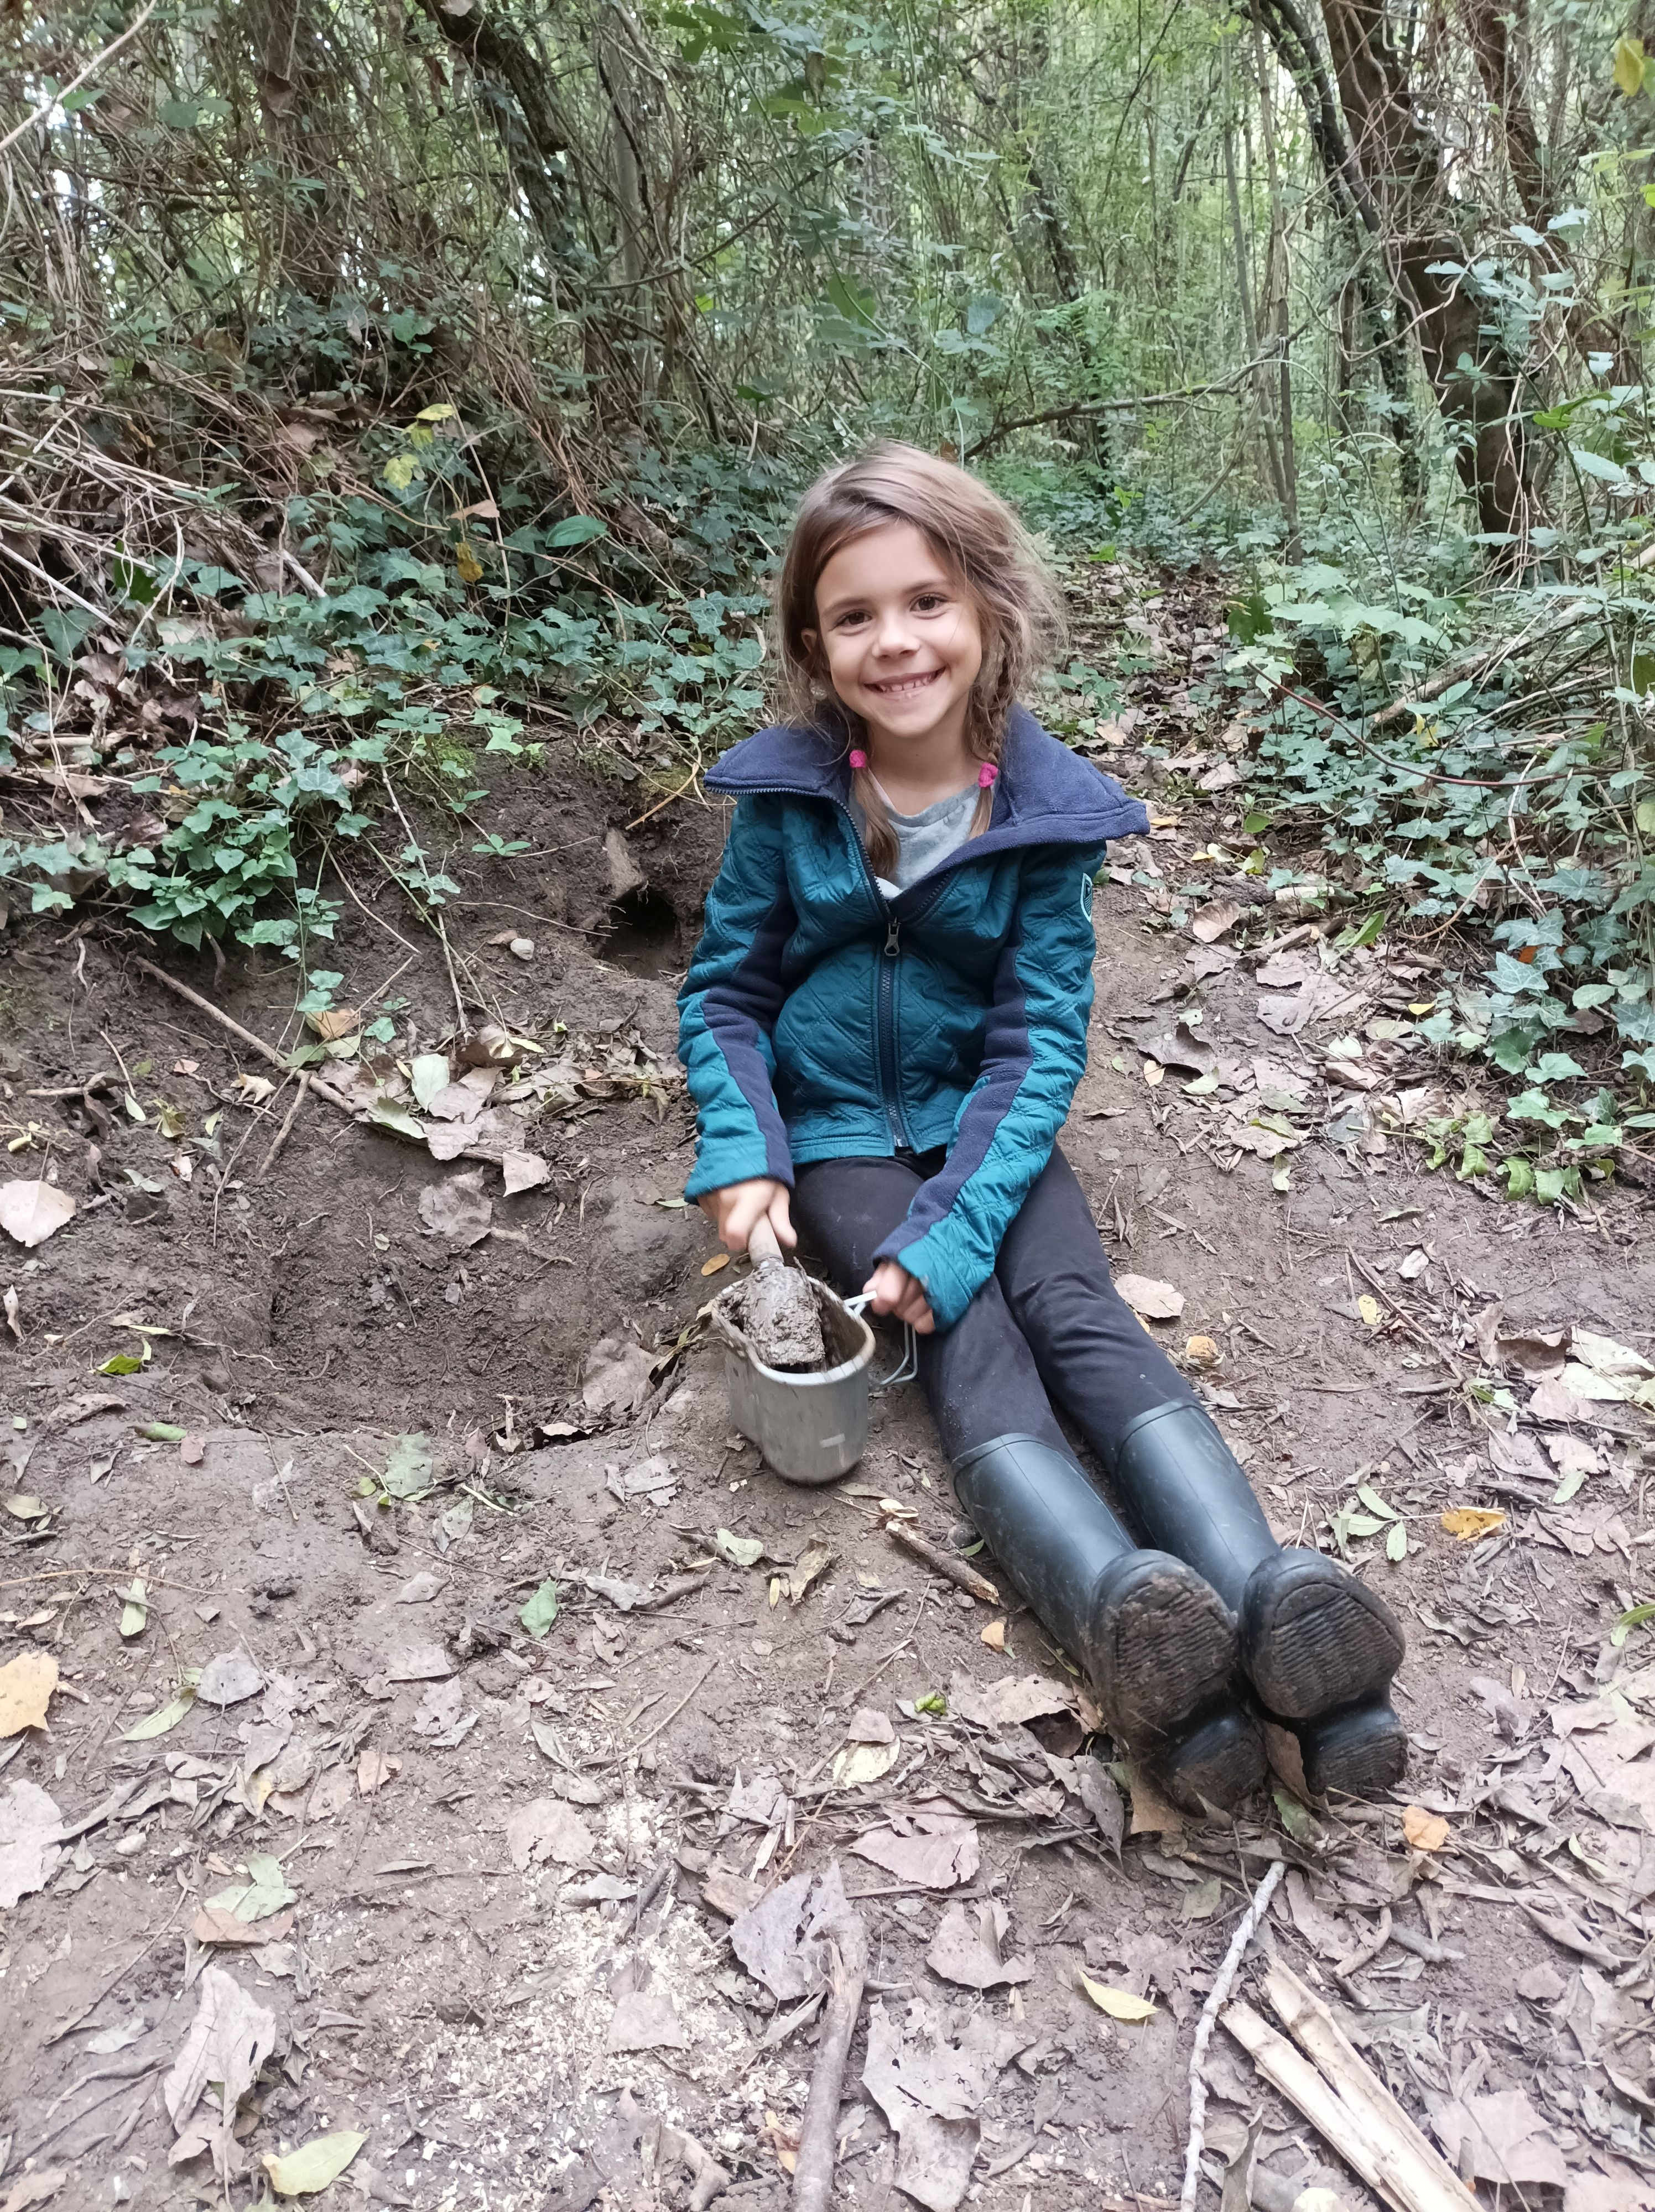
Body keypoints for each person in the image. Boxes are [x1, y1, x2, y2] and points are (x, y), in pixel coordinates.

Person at [678, 442, 1404, 1809]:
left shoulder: (1050, 814)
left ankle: (1284, 1621)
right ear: (813, 645)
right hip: (836, 1135)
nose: (895, 640)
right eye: (853, 615)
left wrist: (957, 1221)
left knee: (1074, 1306)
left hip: (985, 1121)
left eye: (926, 601)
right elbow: (726, 993)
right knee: (966, 1334)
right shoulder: (784, 799)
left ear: (987, 607)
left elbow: (1036, 1040)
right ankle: (1124, 1624)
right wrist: (743, 1150)